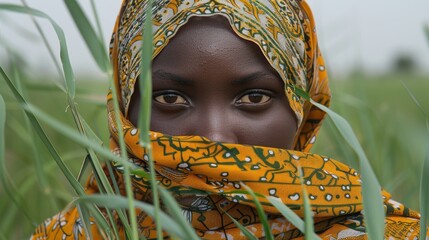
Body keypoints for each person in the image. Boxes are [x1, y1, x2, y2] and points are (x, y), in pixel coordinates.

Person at [31, 0, 428, 239]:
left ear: (302, 109)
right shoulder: (79, 232)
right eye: (171, 98)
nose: (214, 135)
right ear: (124, 107)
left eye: (253, 97)